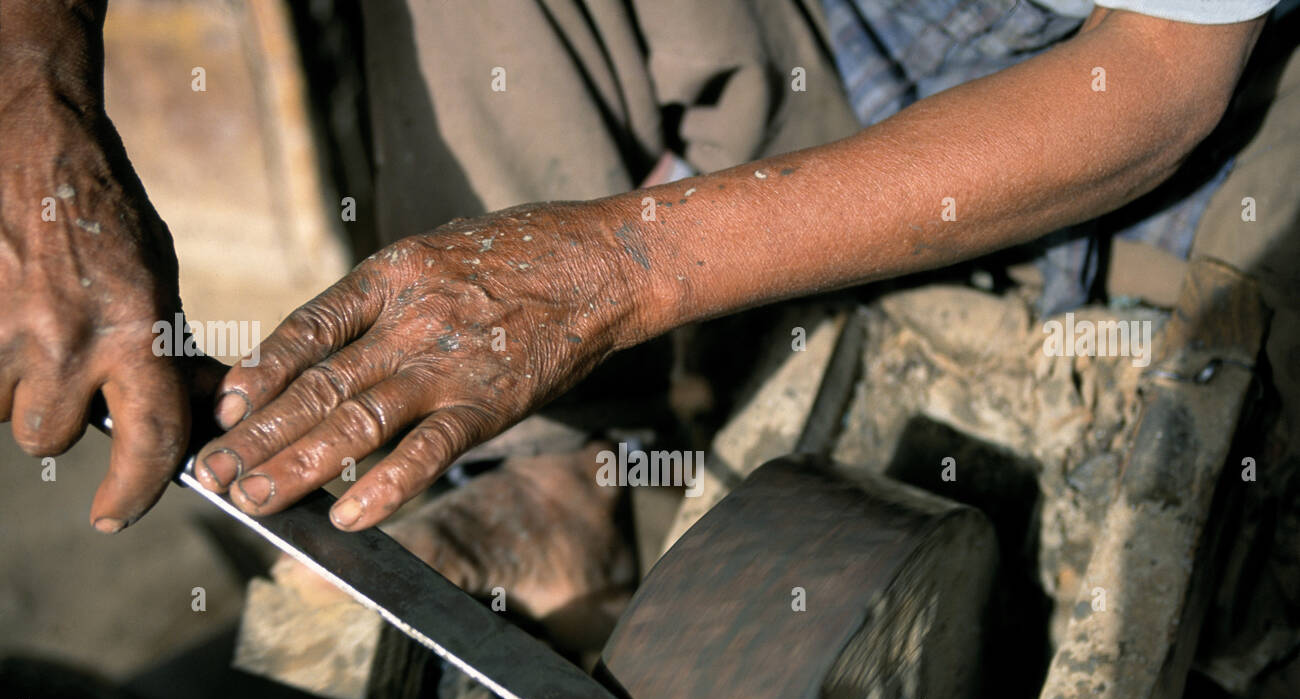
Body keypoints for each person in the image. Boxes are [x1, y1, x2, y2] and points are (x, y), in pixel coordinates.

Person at [0, 0, 1279, 542]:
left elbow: (1157, 82)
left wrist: (615, 266)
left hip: (1101, 84)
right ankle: (557, 477)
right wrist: (36, 108)